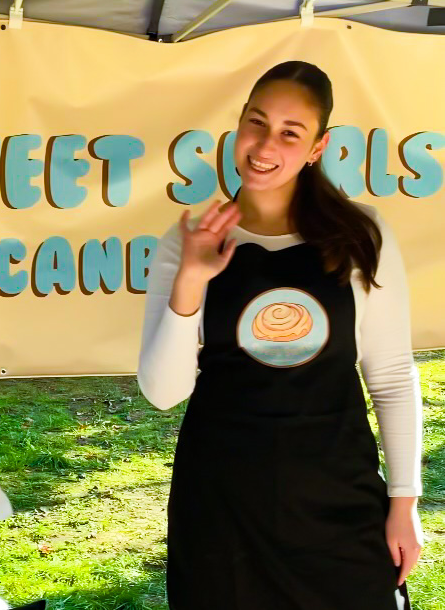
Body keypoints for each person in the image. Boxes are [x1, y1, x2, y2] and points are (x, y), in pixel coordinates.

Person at [137, 61, 424, 610]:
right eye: (256, 122)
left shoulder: (361, 234)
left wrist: (403, 502)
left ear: (318, 146)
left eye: (291, 132)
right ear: (238, 124)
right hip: (224, 505)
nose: (266, 144)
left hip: (339, 497)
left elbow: (389, 375)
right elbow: (162, 390)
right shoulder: (188, 242)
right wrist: (193, 278)